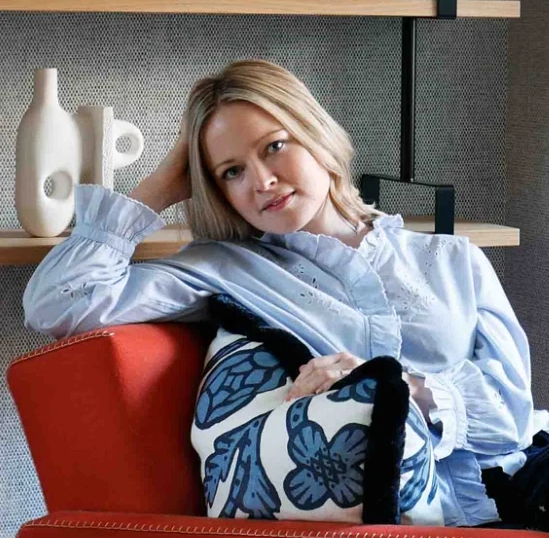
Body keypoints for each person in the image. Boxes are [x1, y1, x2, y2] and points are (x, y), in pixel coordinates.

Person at [23, 59, 549, 529]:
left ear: (314, 133)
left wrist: (395, 387)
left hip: (522, 491)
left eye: (273, 147)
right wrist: (161, 184)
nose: (262, 182)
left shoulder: (451, 259)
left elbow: (509, 416)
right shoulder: (226, 269)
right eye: (231, 172)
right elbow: (60, 302)